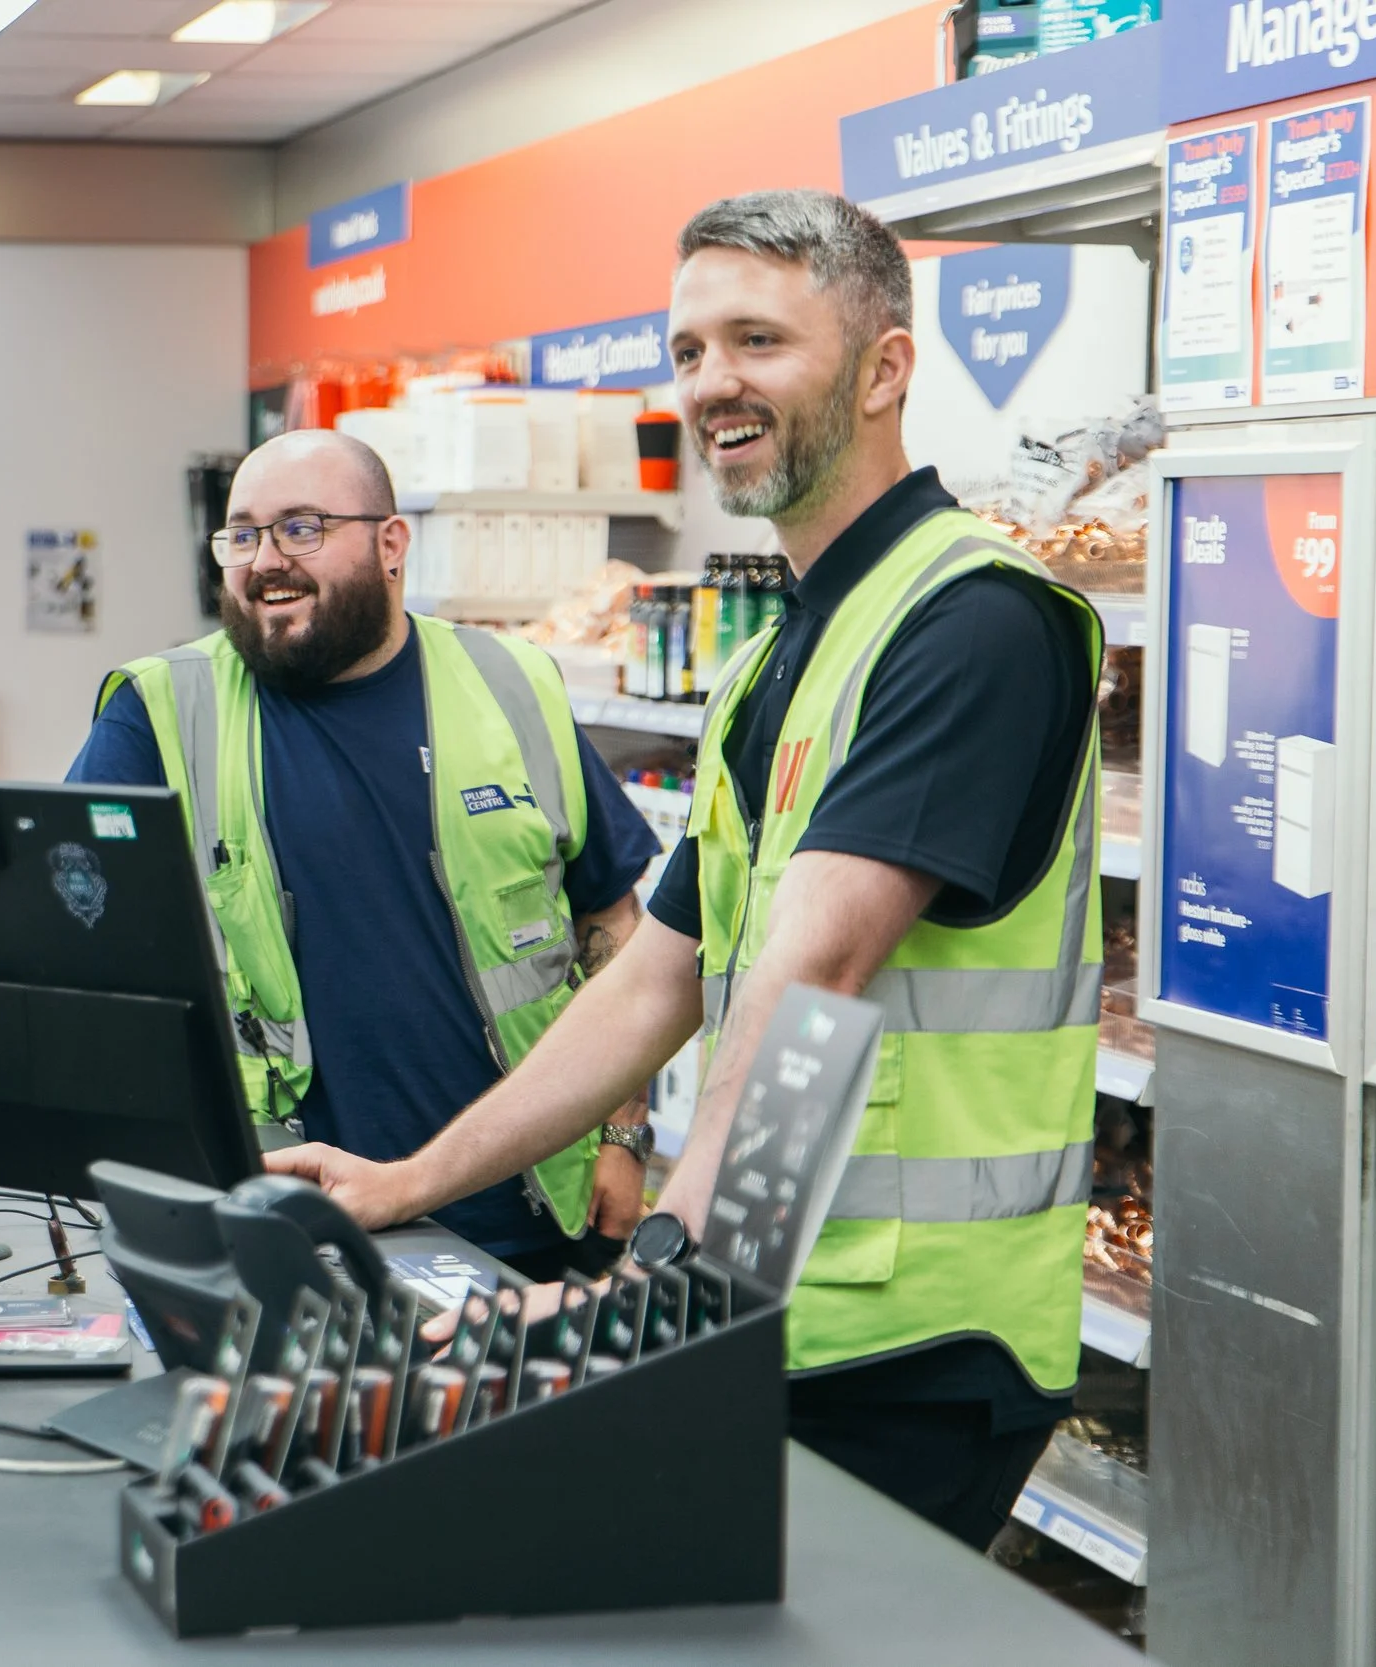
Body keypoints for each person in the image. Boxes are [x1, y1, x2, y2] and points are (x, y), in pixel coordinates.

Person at [267, 189, 1104, 1549]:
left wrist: (660, 1273)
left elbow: (814, 969)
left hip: (912, 1348)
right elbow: (657, 977)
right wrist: (410, 1178)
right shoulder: (781, 655)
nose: (714, 382)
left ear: (884, 368)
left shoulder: (972, 621)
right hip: (776, 1311)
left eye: (759, 340)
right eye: (690, 349)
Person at [68, 427, 661, 1281]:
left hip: (530, 1215)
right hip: (289, 1224)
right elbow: (73, 942)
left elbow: (611, 915)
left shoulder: (512, 683)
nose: (265, 560)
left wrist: (623, 1131)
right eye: (243, 534)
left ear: (391, 544)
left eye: (301, 527)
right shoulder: (161, 713)